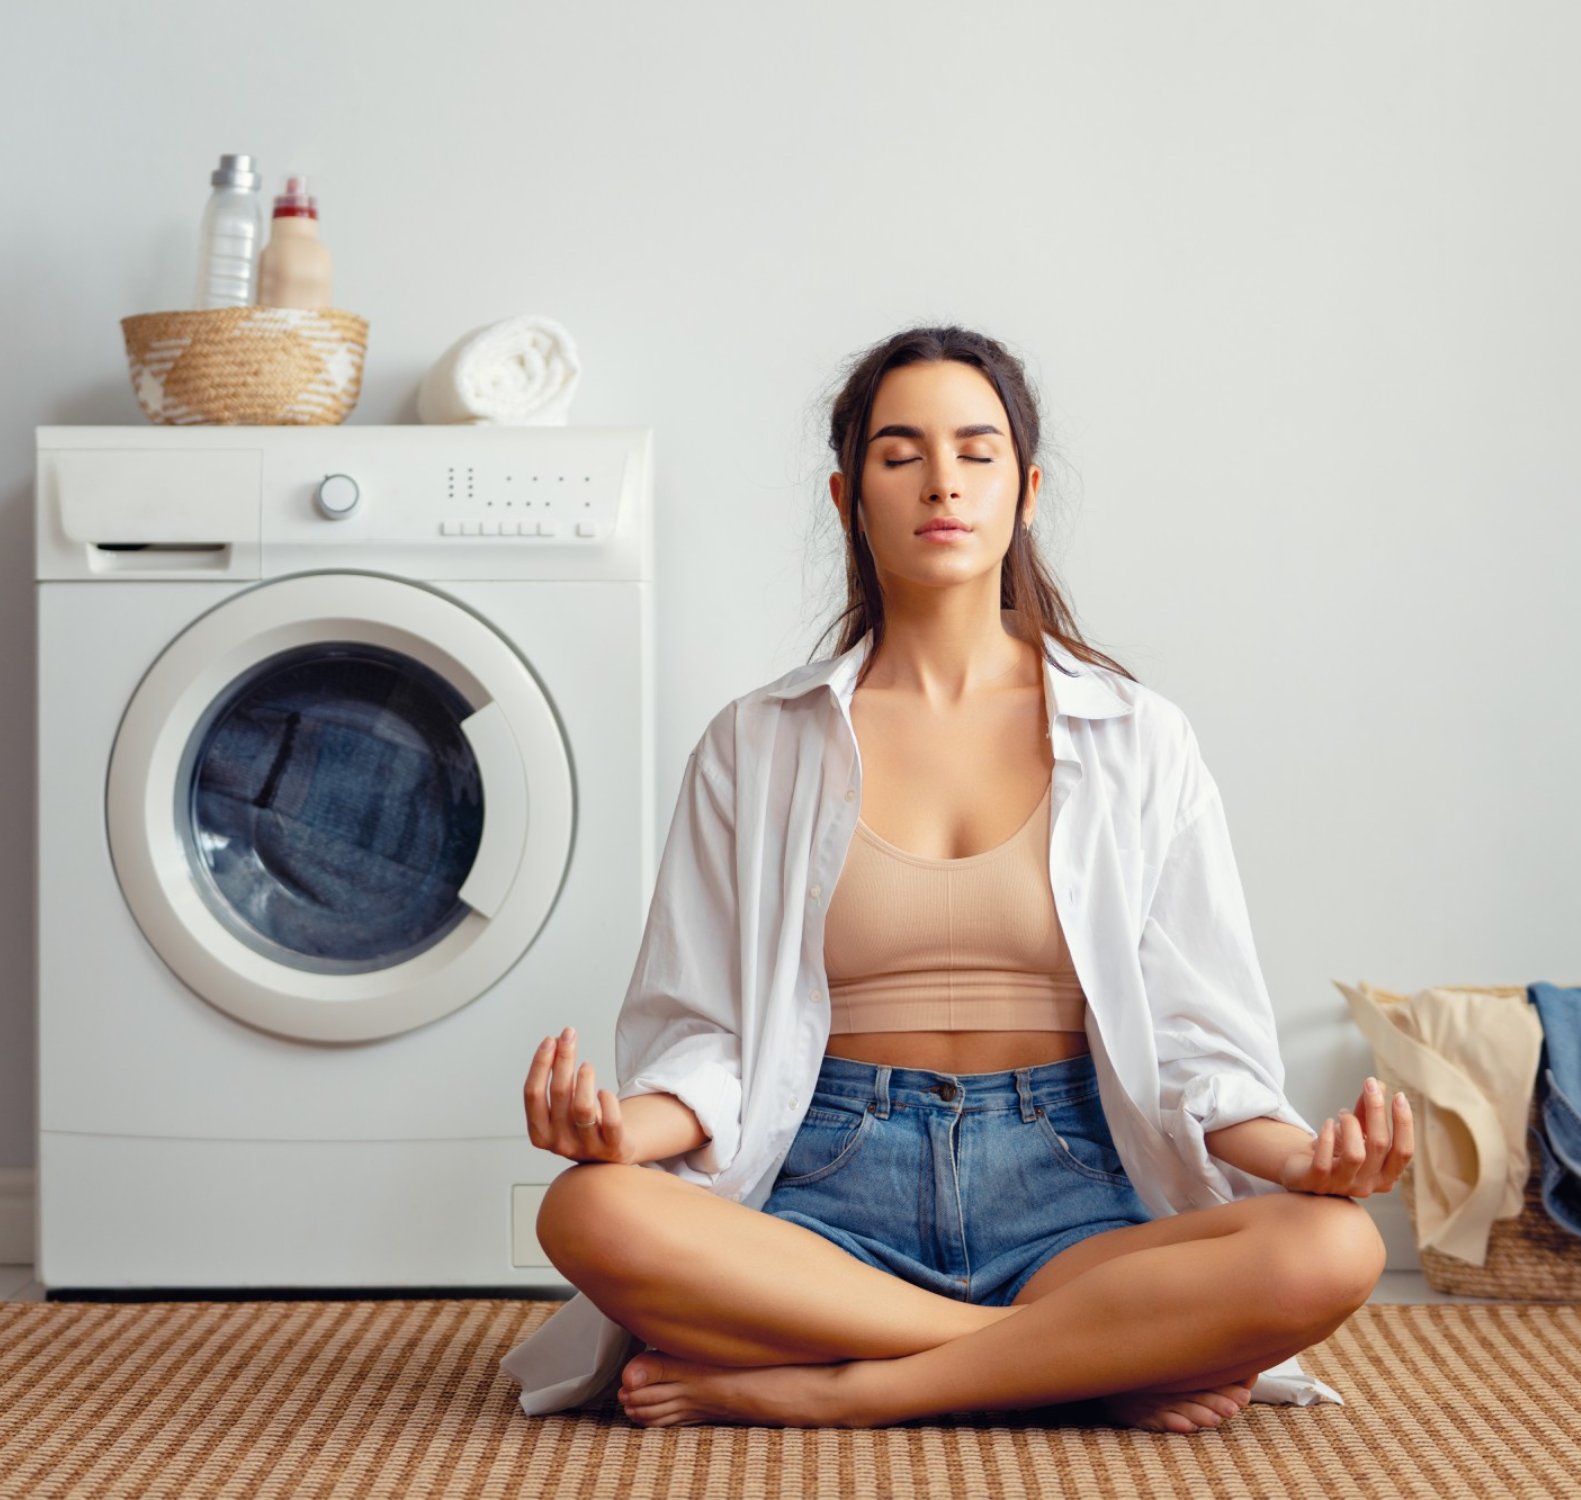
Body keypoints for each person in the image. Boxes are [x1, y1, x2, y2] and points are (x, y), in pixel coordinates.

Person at [503, 326, 1412, 1432]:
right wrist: (617, 1135)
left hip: (1071, 1195)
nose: (942, 481)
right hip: (826, 1195)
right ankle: (1076, 1366)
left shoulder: (1138, 737)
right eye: (900, 454)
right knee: (589, 1213)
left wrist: (1309, 1159)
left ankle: (844, 1389)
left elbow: (1195, 1045)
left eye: (975, 452)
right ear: (849, 495)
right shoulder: (757, 741)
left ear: (1023, 492)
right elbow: (705, 1037)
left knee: (1329, 1245)